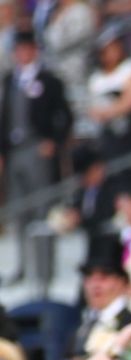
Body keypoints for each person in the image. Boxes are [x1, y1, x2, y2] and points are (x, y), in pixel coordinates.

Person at [2, 33, 72, 248]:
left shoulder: (49, 81)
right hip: (14, 150)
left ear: (35, 50)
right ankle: (23, 265)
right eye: (19, 49)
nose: (22, 54)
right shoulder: (9, 80)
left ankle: (44, 269)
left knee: (43, 208)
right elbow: (4, 117)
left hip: (38, 148)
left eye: (26, 48)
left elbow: (66, 116)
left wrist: (53, 141)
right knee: (19, 208)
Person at [83, 30, 131, 158]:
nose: (112, 52)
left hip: (129, 132)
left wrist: (107, 112)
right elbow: (92, 109)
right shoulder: (96, 78)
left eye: (115, 46)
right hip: (106, 135)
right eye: (108, 49)